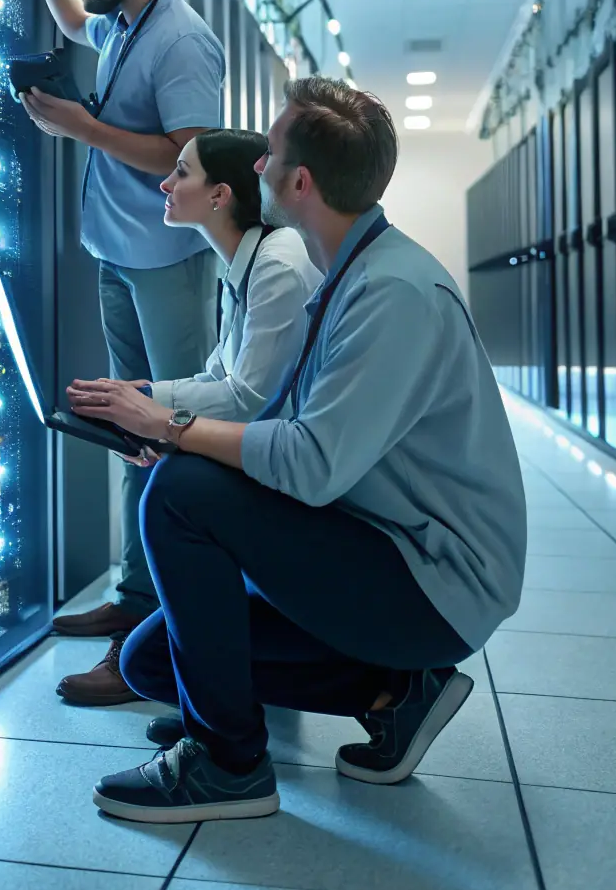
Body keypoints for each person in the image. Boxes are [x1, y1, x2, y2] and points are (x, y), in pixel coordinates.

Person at [67, 77, 527, 824]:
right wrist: (167, 429)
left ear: (301, 182)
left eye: (270, 154)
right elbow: (281, 417)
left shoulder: (392, 292)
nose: (257, 165)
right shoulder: (348, 273)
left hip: (436, 581)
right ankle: (395, 692)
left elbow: (309, 463)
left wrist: (173, 429)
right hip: (384, 542)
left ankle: (229, 765)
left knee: (180, 494)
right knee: (153, 661)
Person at [0, 0, 225, 689]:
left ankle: (170, 639)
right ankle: (135, 602)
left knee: (176, 437)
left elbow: (192, 158)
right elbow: (73, 16)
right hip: (119, 256)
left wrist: (83, 127)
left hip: (166, 263)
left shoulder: (183, 41)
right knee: (133, 433)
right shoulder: (124, 21)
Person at [55, 128, 321, 706]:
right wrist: (142, 395)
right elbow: (218, 376)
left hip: (296, 472)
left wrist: (156, 417)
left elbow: (251, 398)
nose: (165, 184)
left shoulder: (277, 265)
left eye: (181, 172)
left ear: (220, 195)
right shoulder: (247, 262)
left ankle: (191, 679)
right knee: (165, 461)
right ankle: (192, 670)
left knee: (174, 485)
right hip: (271, 451)